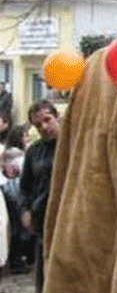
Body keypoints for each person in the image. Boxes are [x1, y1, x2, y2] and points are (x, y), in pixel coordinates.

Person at [20, 100, 60, 293]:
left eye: (47, 120)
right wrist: (25, 209)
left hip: (68, 219)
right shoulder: (34, 152)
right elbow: (25, 186)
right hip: (42, 219)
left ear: (56, 117)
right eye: (39, 125)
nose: (44, 127)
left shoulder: (72, 146)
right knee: (44, 278)